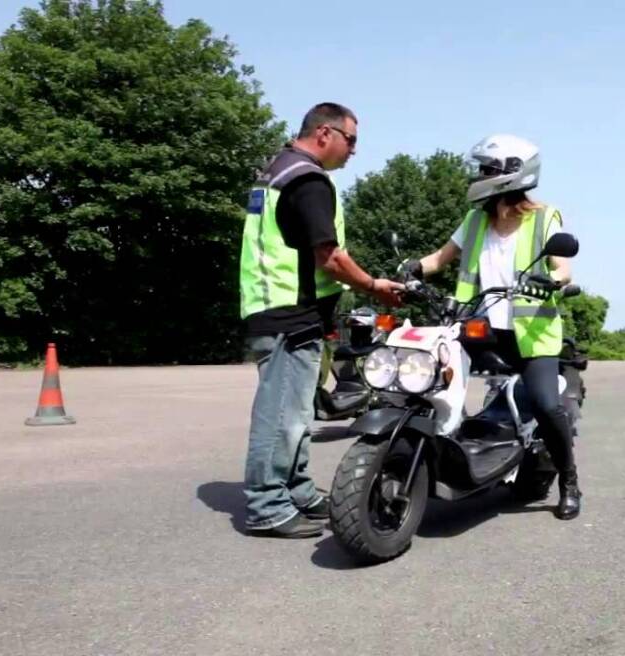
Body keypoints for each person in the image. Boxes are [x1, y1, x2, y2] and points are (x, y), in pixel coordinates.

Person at [238, 102, 403, 538]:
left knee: (297, 413)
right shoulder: (308, 180)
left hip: (278, 309)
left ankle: (297, 490)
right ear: (325, 134)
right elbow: (328, 257)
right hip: (288, 313)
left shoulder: (278, 168)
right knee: (281, 414)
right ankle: (267, 505)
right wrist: (374, 285)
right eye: (351, 141)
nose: (354, 152)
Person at [403, 134, 583, 520]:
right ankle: (444, 445)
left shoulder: (543, 218)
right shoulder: (475, 220)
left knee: (547, 406)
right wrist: (413, 269)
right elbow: (440, 258)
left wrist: (556, 282)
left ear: (514, 174)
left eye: (487, 169)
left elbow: (563, 268)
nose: (479, 175)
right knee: (427, 373)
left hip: (531, 336)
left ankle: (569, 480)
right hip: (479, 329)